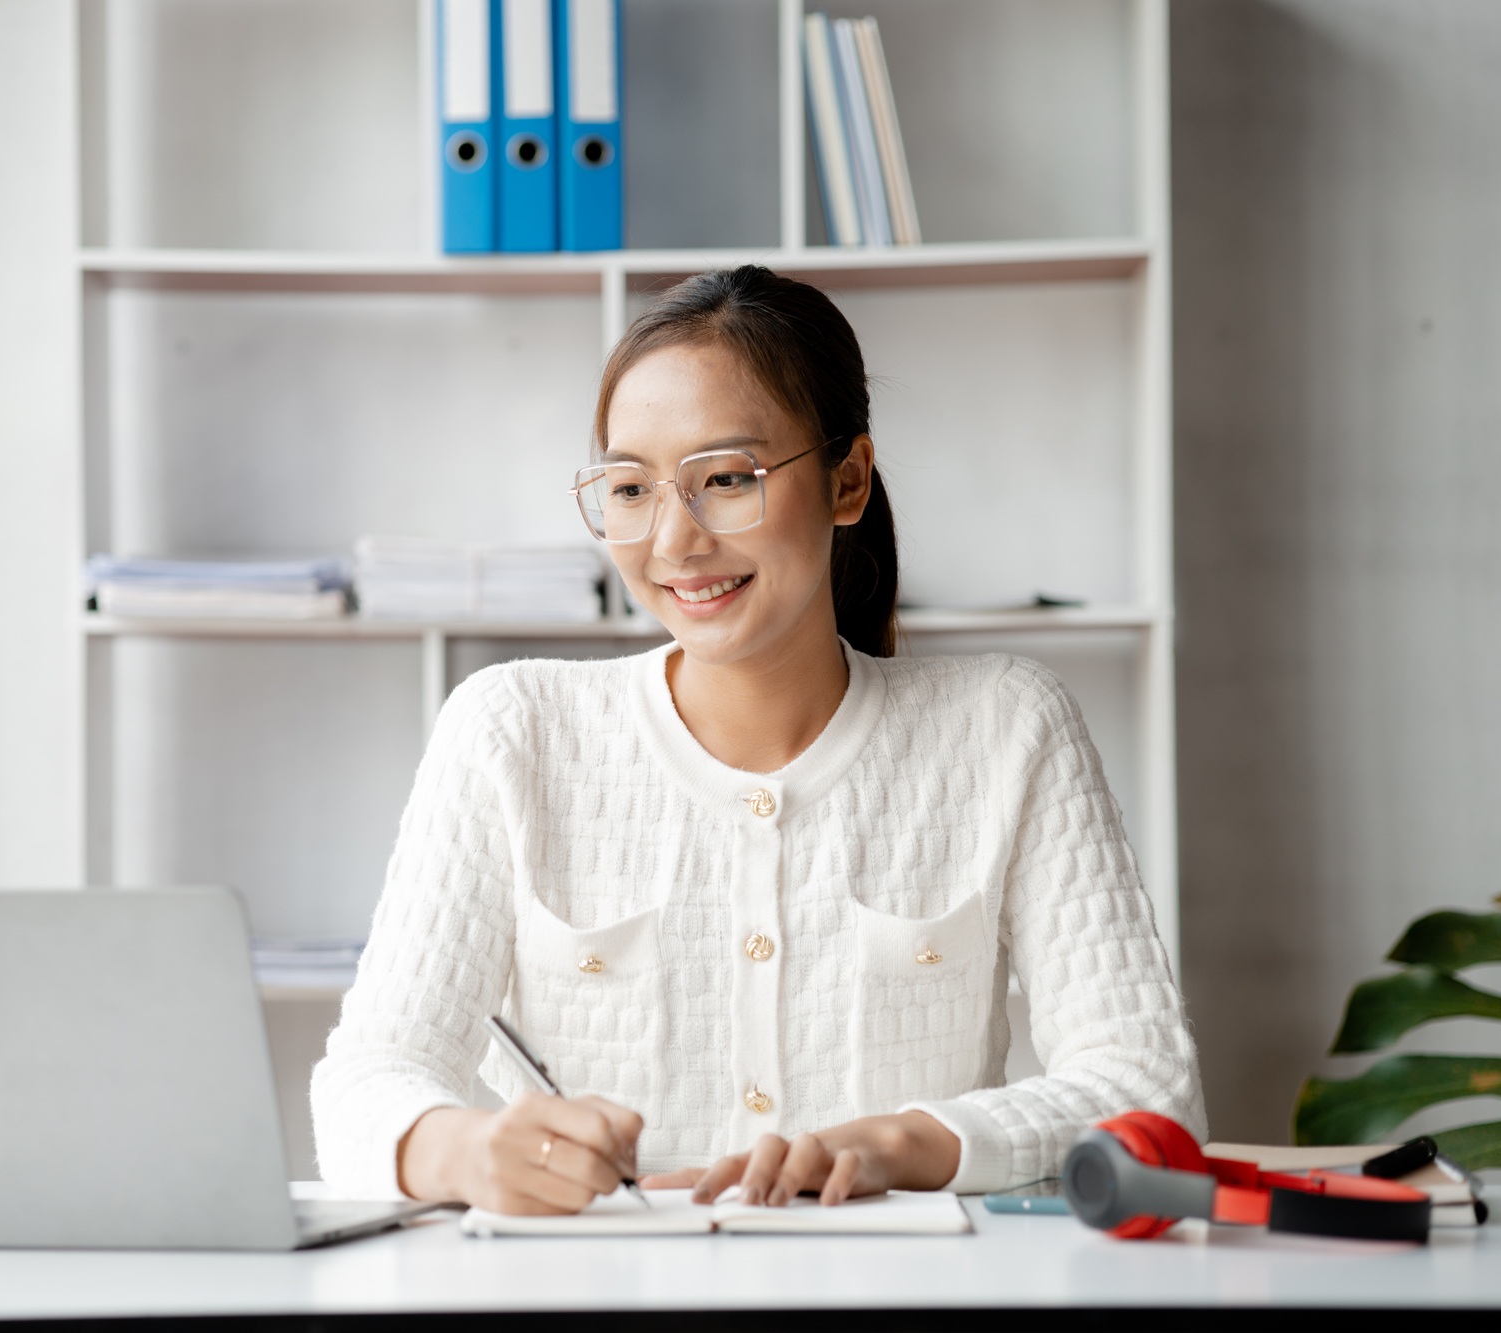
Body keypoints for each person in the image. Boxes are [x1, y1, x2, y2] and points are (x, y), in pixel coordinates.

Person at [311, 265, 1202, 1214]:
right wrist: (464, 1151)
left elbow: (1150, 1089)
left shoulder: (1007, 727)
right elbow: (366, 1079)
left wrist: (904, 1142)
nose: (674, 541)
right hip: (594, 1304)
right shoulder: (512, 730)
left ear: (847, 479)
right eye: (630, 488)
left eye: (727, 479)